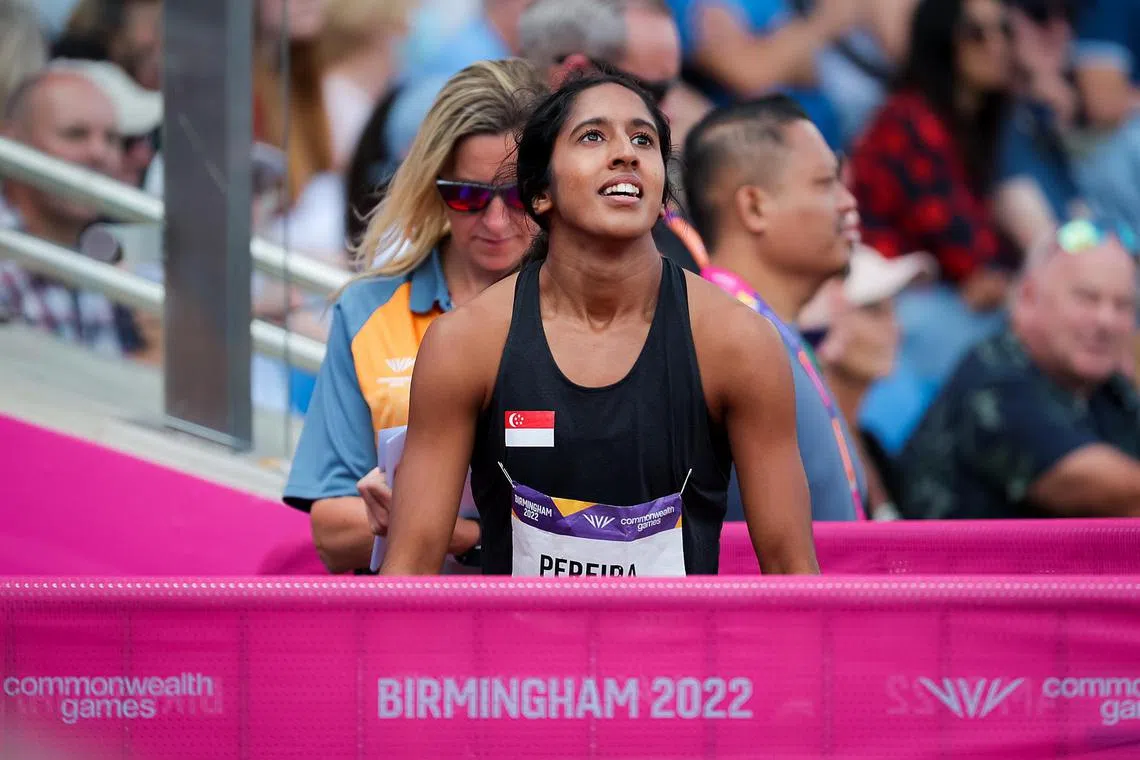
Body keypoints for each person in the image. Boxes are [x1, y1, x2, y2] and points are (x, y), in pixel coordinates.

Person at [377, 71, 818, 576]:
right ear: (539, 193)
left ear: (660, 190)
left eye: (643, 139)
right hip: (518, 653)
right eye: (593, 136)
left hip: (676, 656)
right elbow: (406, 572)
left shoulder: (738, 343)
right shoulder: (466, 344)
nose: (626, 153)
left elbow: (793, 572)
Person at [283, 60, 547, 574]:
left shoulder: (589, 313)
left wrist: (448, 530)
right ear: (432, 186)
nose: (495, 221)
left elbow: (614, 527)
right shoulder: (366, 310)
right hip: (403, 627)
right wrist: (464, 534)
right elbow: (332, 531)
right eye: (468, 196)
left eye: (516, 197)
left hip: (539, 627)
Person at [680, 95, 869, 522]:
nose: (848, 202)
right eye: (825, 183)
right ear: (754, 207)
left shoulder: (764, 330)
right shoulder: (716, 340)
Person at [896, 217, 1140, 519]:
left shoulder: (1105, 386)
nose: (1106, 321)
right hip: (946, 566)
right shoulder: (992, 376)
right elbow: (1116, 495)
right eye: (1087, 298)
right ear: (1027, 298)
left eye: (1123, 305)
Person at [0, 70, 130, 356]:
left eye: (111, 138)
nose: (99, 152)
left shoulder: (103, 251)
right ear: (12, 141)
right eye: (75, 134)